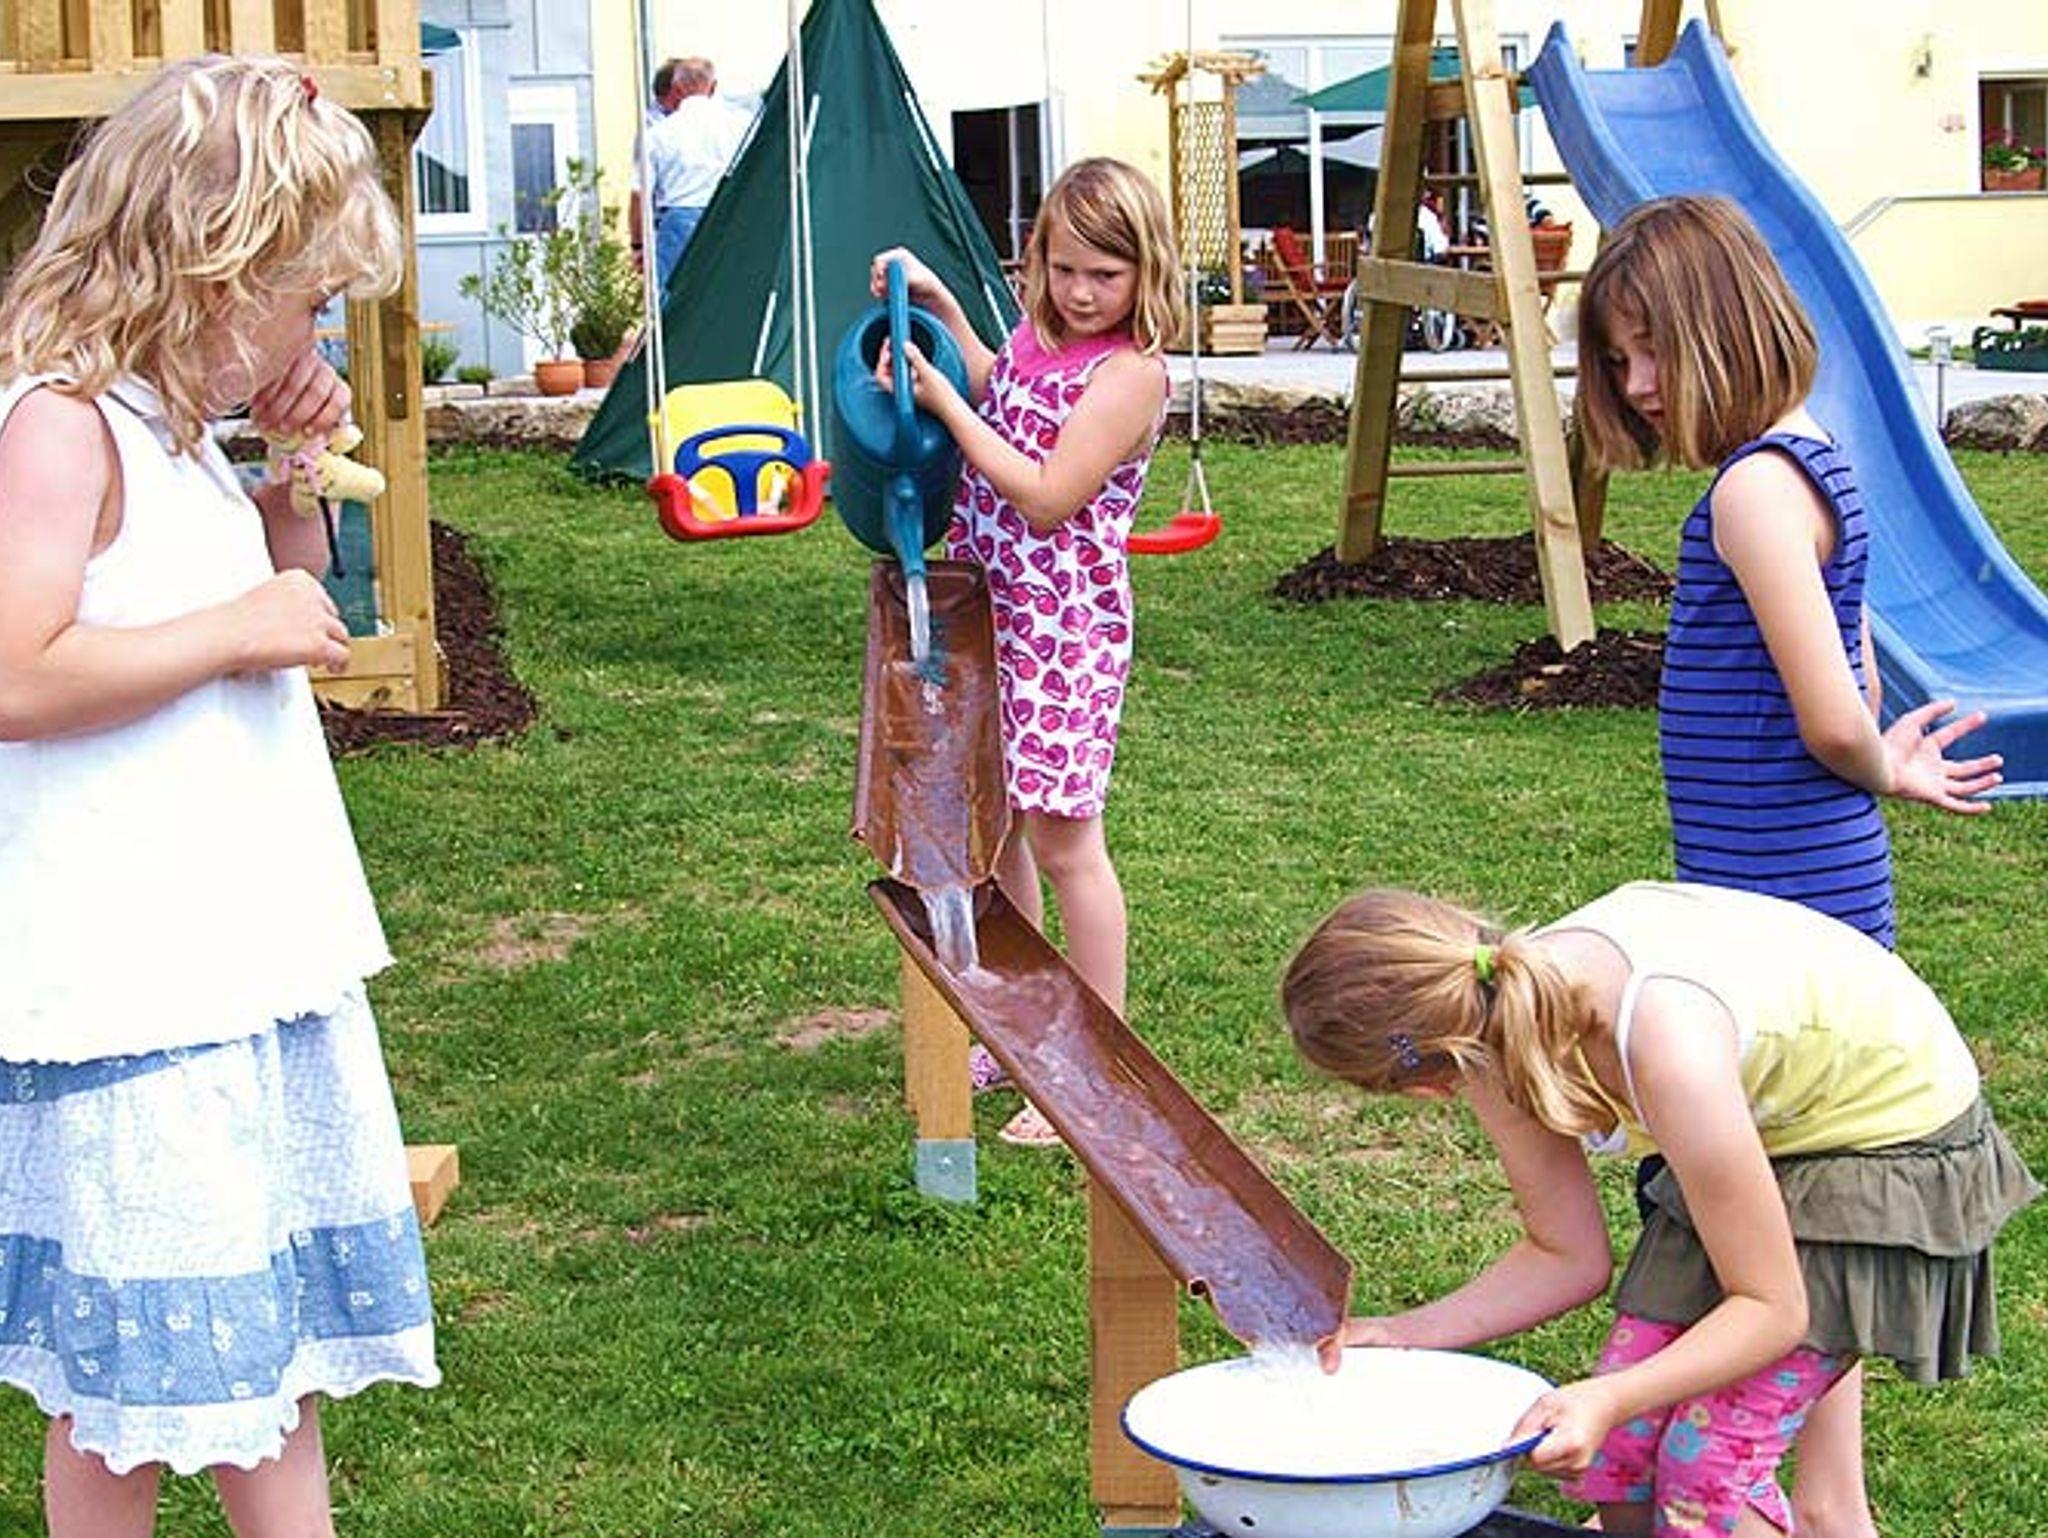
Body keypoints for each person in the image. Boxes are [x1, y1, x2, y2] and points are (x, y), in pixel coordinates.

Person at [0, 56, 437, 1538]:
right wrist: (235, 630)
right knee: (114, 1393)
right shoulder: (60, 427)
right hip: (138, 1001)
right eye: (306, 301)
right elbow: (17, 671)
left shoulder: (174, 434)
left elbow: (281, 587)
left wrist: (293, 483)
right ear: (211, 269)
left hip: (241, 972)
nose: (316, 331)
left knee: (275, 1355)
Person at [1576, 194, 2003, 1537]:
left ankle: (1817, 1500)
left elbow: (1828, 710)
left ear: (1721, 322)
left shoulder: (1754, 488)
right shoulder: (1811, 455)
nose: (1638, 385)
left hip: (1780, 890)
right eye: (1619, 360)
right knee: (1800, 1206)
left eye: (1650, 348)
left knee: (1786, 1195)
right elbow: (1852, 662)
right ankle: (1830, 1501)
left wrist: (1873, 760)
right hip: (1794, 880)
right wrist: (1877, 749)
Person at [1281, 879, 2038, 1538]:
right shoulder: (1491, 1018)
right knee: (1619, 1455)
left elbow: (1773, 1308)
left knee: (1703, 1478)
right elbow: (1565, 1255)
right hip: (1775, 1119)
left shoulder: (1663, 1046)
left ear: (1425, 1083)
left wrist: (1607, 1394)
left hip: (1888, 1144)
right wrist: (1402, 1334)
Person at [868, 158, 1184, 1146]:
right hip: (992, 614)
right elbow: (998, 387)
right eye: (1063, 269)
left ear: (1145, 272)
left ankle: (1097, 1059)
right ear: (1038, 259)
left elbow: (1046, 494)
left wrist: (945, 407)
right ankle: (1025, 1028)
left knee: (1064, 841)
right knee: (997, 824)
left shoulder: (1130, 376)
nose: (1080, 292)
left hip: (1060, 634)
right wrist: (942, 309)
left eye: (1105, 275)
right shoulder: (1042, 342)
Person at [644, 56, 749, 290]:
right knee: (722, 290)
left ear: (676, 88)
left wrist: (637, 245)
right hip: (724, 214)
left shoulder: (658, 133)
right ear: (713, 87)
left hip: (677, 217)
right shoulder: (738, 126)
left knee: (671, 294)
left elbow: (639, 194)